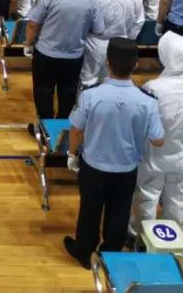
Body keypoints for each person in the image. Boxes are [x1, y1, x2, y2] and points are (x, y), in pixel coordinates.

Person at [63, 38, 164, 269]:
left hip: (94, 166)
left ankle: (84, 251)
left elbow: (76, 129)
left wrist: (72, 153)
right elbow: (158, 139)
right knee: (119, 212)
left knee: (89, 210)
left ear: (107, 62)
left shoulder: (90, 95)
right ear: (135, 64)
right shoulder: (147, 101)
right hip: (126, 168)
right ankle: (111, 255)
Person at [132, 31, 183, 231]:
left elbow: (143, 123)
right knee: (180, 199)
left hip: (155, 152)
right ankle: (173, 233)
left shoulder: (153, 87)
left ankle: (140, 235)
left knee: (147, 196)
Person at [25, 0, 103, 118]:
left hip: (46, 54)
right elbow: (98, 29)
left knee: (43, 91)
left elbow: (33, 23)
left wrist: (28, 44)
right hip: (74, 56)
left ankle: (44, 127)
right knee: (68, 93)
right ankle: (62, 126)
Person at [81, 0, 143, 87]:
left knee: (88, 81)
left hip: (93, 44)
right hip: (121, 44)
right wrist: (127, 39)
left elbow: (82, 22)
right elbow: (139, 22)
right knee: (116, 81)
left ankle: (86, 101)